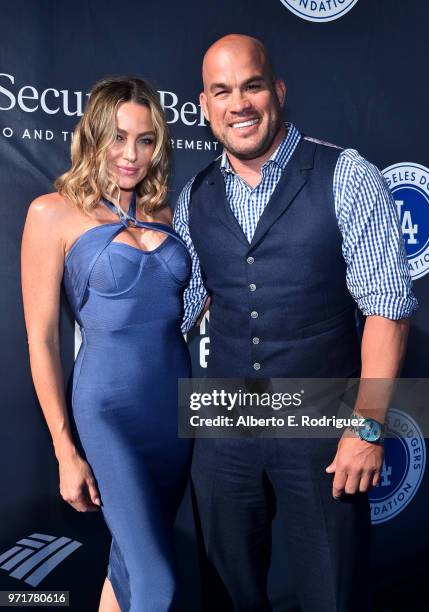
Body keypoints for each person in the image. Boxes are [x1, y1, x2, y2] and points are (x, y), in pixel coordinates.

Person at [174, 34, 417, 611]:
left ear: (277, 91)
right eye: (222, 91)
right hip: (224, 429)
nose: (240, 103)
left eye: (252, 85)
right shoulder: (194, 196)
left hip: (325, 425)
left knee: (332, 594)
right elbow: (179, 311)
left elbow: (389, 308)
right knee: (225, 594)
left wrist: (367, 428)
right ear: (204, 107)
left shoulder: (346, 175)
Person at [21, 76, 193, 612]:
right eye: (118, 137)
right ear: (92, 135)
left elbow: (184, 304)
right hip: (108, 415)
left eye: (145, 140)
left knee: (126, 569)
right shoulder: (51, 213)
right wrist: (64, 449)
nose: (131, 155)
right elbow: (43, 340)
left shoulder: (165, 214)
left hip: (174, 413)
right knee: (156, 583)